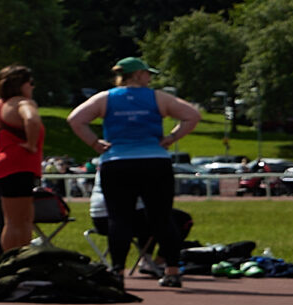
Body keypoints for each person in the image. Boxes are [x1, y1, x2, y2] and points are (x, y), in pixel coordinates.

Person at [67, 56, 199, 288]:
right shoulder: (158, 98)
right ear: (138, 74)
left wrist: (95, 143)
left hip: (117, 162)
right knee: (162, 217)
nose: (149, 78)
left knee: (120, 218)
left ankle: (118, 271)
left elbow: (75, 119)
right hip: (154, 161)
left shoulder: (105, 98)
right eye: (147, 74)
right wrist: (171, 137)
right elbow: (192, 115)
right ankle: (172, 271)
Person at [0, 64, 48, 255]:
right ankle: (15, 261)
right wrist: (31, 144)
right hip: (16, 167)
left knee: (22, 219)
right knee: (17, 222)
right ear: (22, 84)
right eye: (31, 83)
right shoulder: (23, 103)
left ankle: (17, 258)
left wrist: (0, 143)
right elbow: (32, 120)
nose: (33, 87)